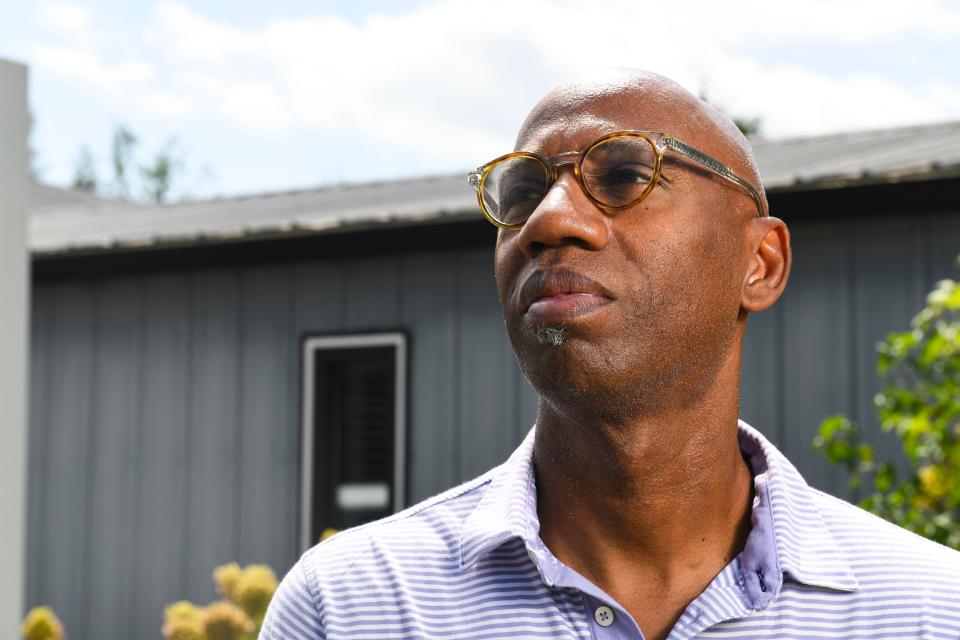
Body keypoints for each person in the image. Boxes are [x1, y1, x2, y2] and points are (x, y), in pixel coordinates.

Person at [260, 69, 960, 639]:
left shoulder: (927, 611)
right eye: (523, 192)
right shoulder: (354, 608)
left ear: (760, 262)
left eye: (625, 176)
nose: (548, 220)